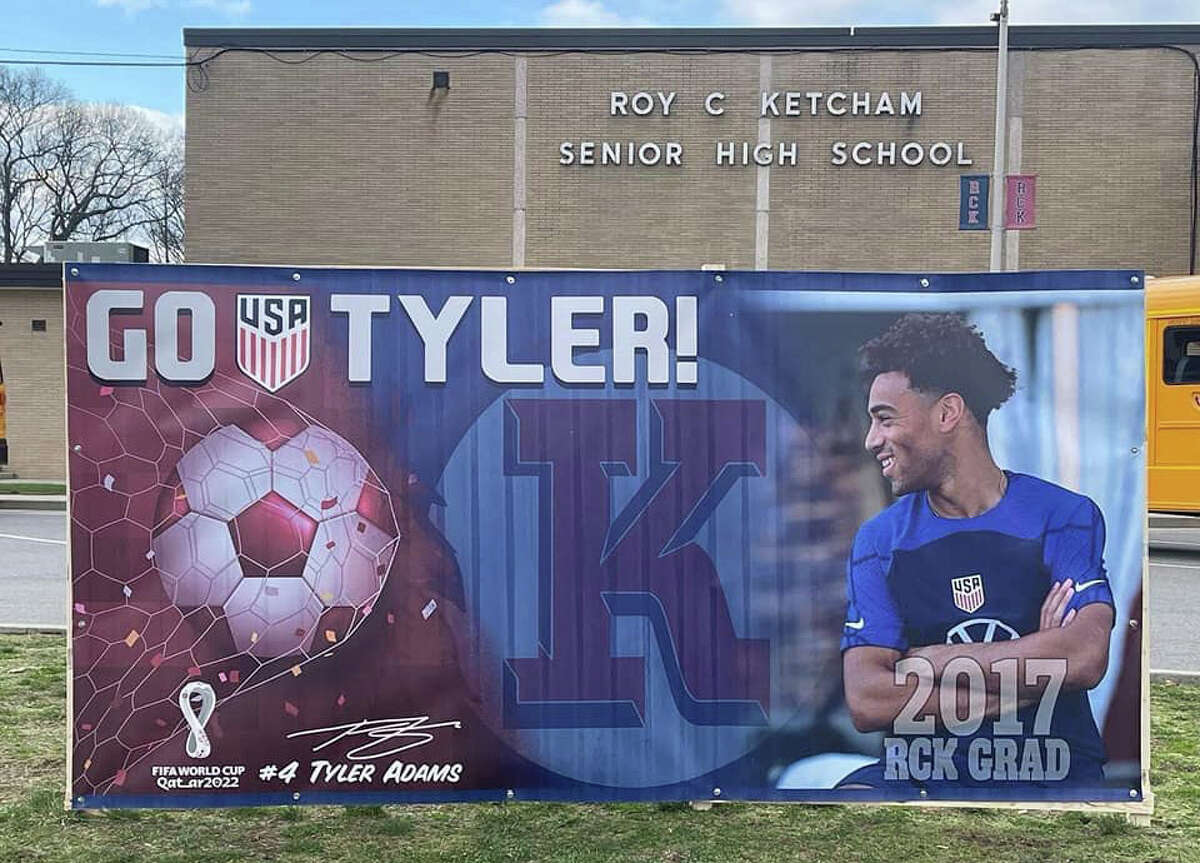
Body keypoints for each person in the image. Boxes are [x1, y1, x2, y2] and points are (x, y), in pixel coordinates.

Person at [838, 313, 1114, 792]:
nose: (871, 440)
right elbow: (868, 700)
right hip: (922, 771)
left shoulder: (1063, 515)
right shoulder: (880, 541)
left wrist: (933, 660)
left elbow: (1084, 657)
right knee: (850, 796)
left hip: (1050, 767)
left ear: (948, 413)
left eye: (885, 418)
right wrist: (1033, 674)